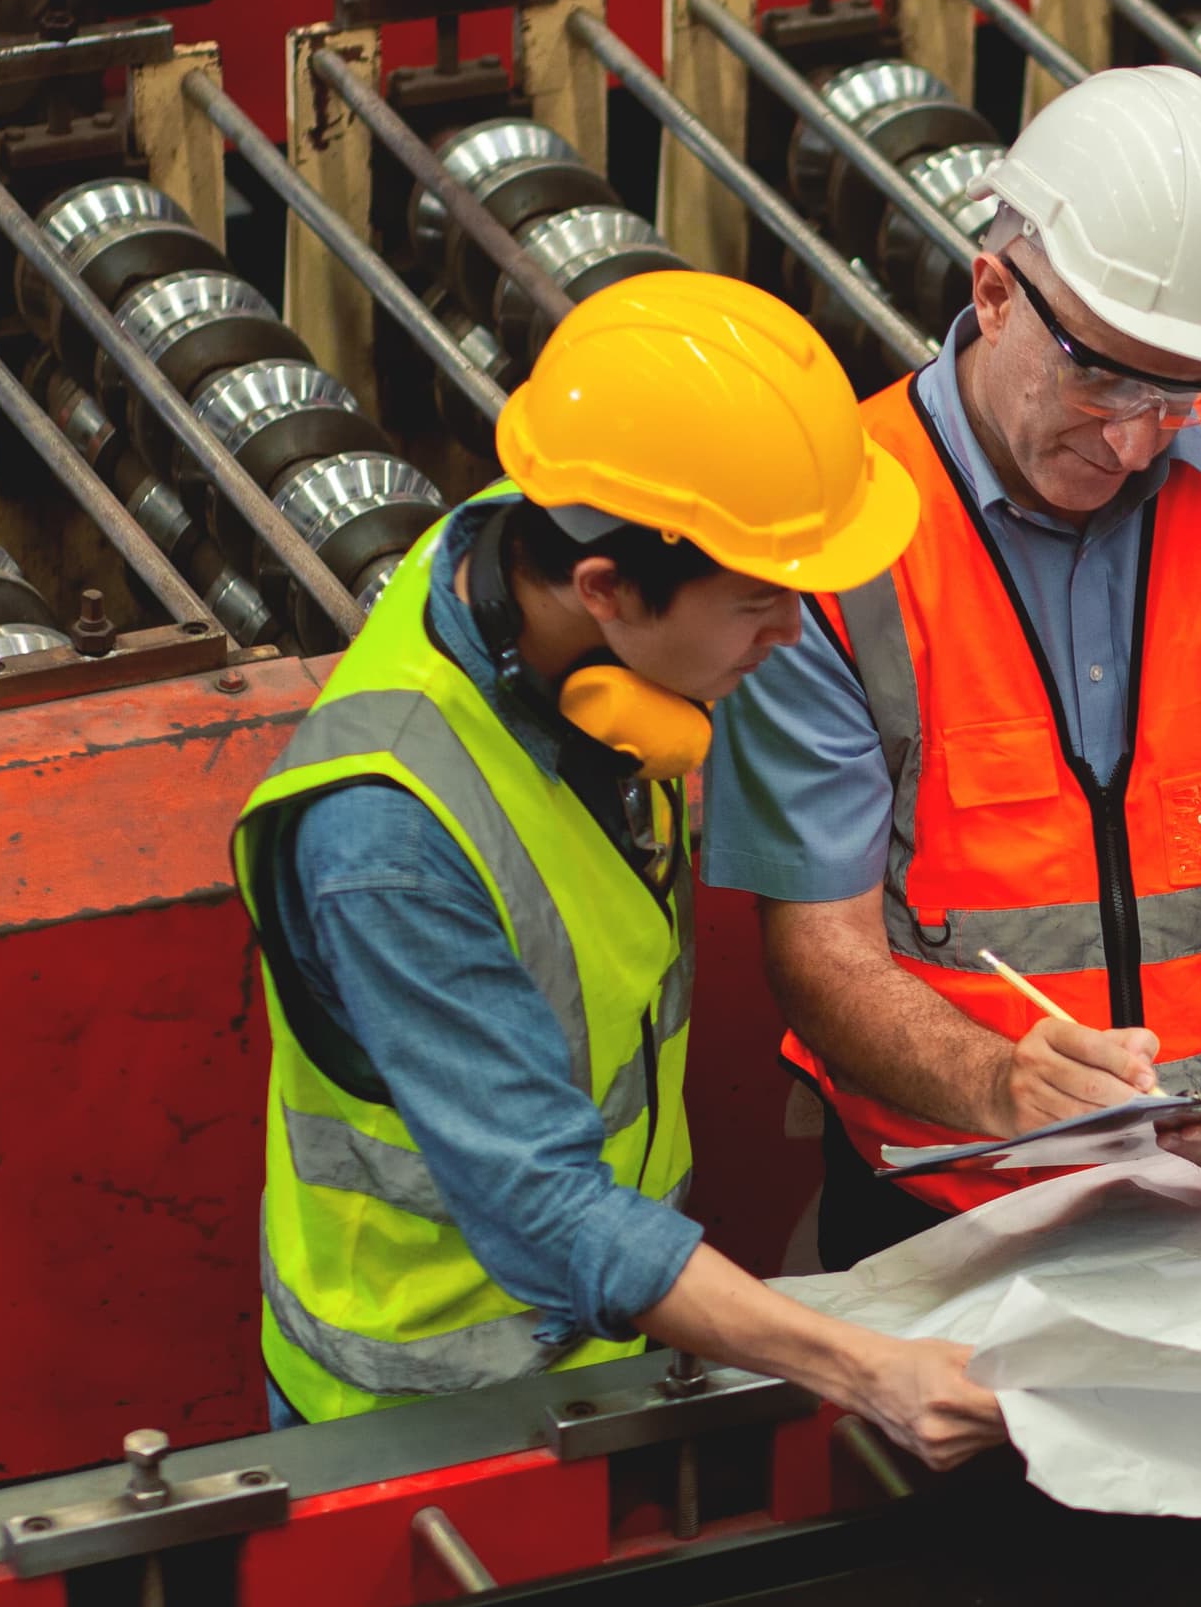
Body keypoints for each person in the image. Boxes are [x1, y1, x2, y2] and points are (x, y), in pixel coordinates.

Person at [230, 272, 1003, 1463]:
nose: (789, 635)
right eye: (758, 602)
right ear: (606, 593)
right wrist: (869, 1368)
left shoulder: (554, 536)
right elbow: (543, 1210)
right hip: (425, 1417)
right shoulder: (385, 841)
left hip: (618, 1345)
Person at [708, 65, 1201, 1267]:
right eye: (1103, 372)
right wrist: (1003, 1086)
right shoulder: (840, 533)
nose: (1137, 437)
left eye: (1186, 389)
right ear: (995, 293)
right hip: (956, 1211)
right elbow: (818, 948)